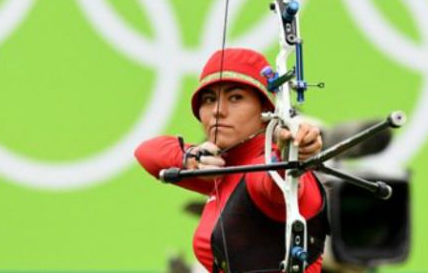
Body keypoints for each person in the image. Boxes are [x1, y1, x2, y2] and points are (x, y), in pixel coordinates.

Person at [135, 47, 329, 272]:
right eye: (209, 99)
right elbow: (146, 152)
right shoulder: (223, 170)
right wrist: (190, 159)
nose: (218, 110)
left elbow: (273, 184)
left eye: (236, 97)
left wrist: (291, 156)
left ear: (267, 111)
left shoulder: (262, 168)